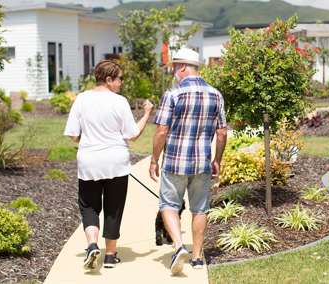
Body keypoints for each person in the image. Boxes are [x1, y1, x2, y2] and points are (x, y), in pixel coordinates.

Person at [64, 60, 153, 270]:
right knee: (113, 208)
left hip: (89, 162)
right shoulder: (119, 102)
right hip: (116, 163)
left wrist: (88, 139)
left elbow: (73, 135)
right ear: (109, 79)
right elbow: (132, 135)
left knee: (89, 206)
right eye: (120, 78)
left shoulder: (81, 100)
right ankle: (111, 256)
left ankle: (92, 244)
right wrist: (147, 113)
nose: (122, 82)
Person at [149, 47, 228, 275]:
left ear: (182, 67)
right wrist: (217, 160)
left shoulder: (172, 94)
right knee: (200, 209)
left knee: (168, 205)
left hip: (174, 162)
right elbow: (222, 133)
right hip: (202, 163)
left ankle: (178, 246)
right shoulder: (216, 95)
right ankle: (197, 257)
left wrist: (154, 159)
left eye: (175, 67)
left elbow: (162, 131)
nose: (174, 71)